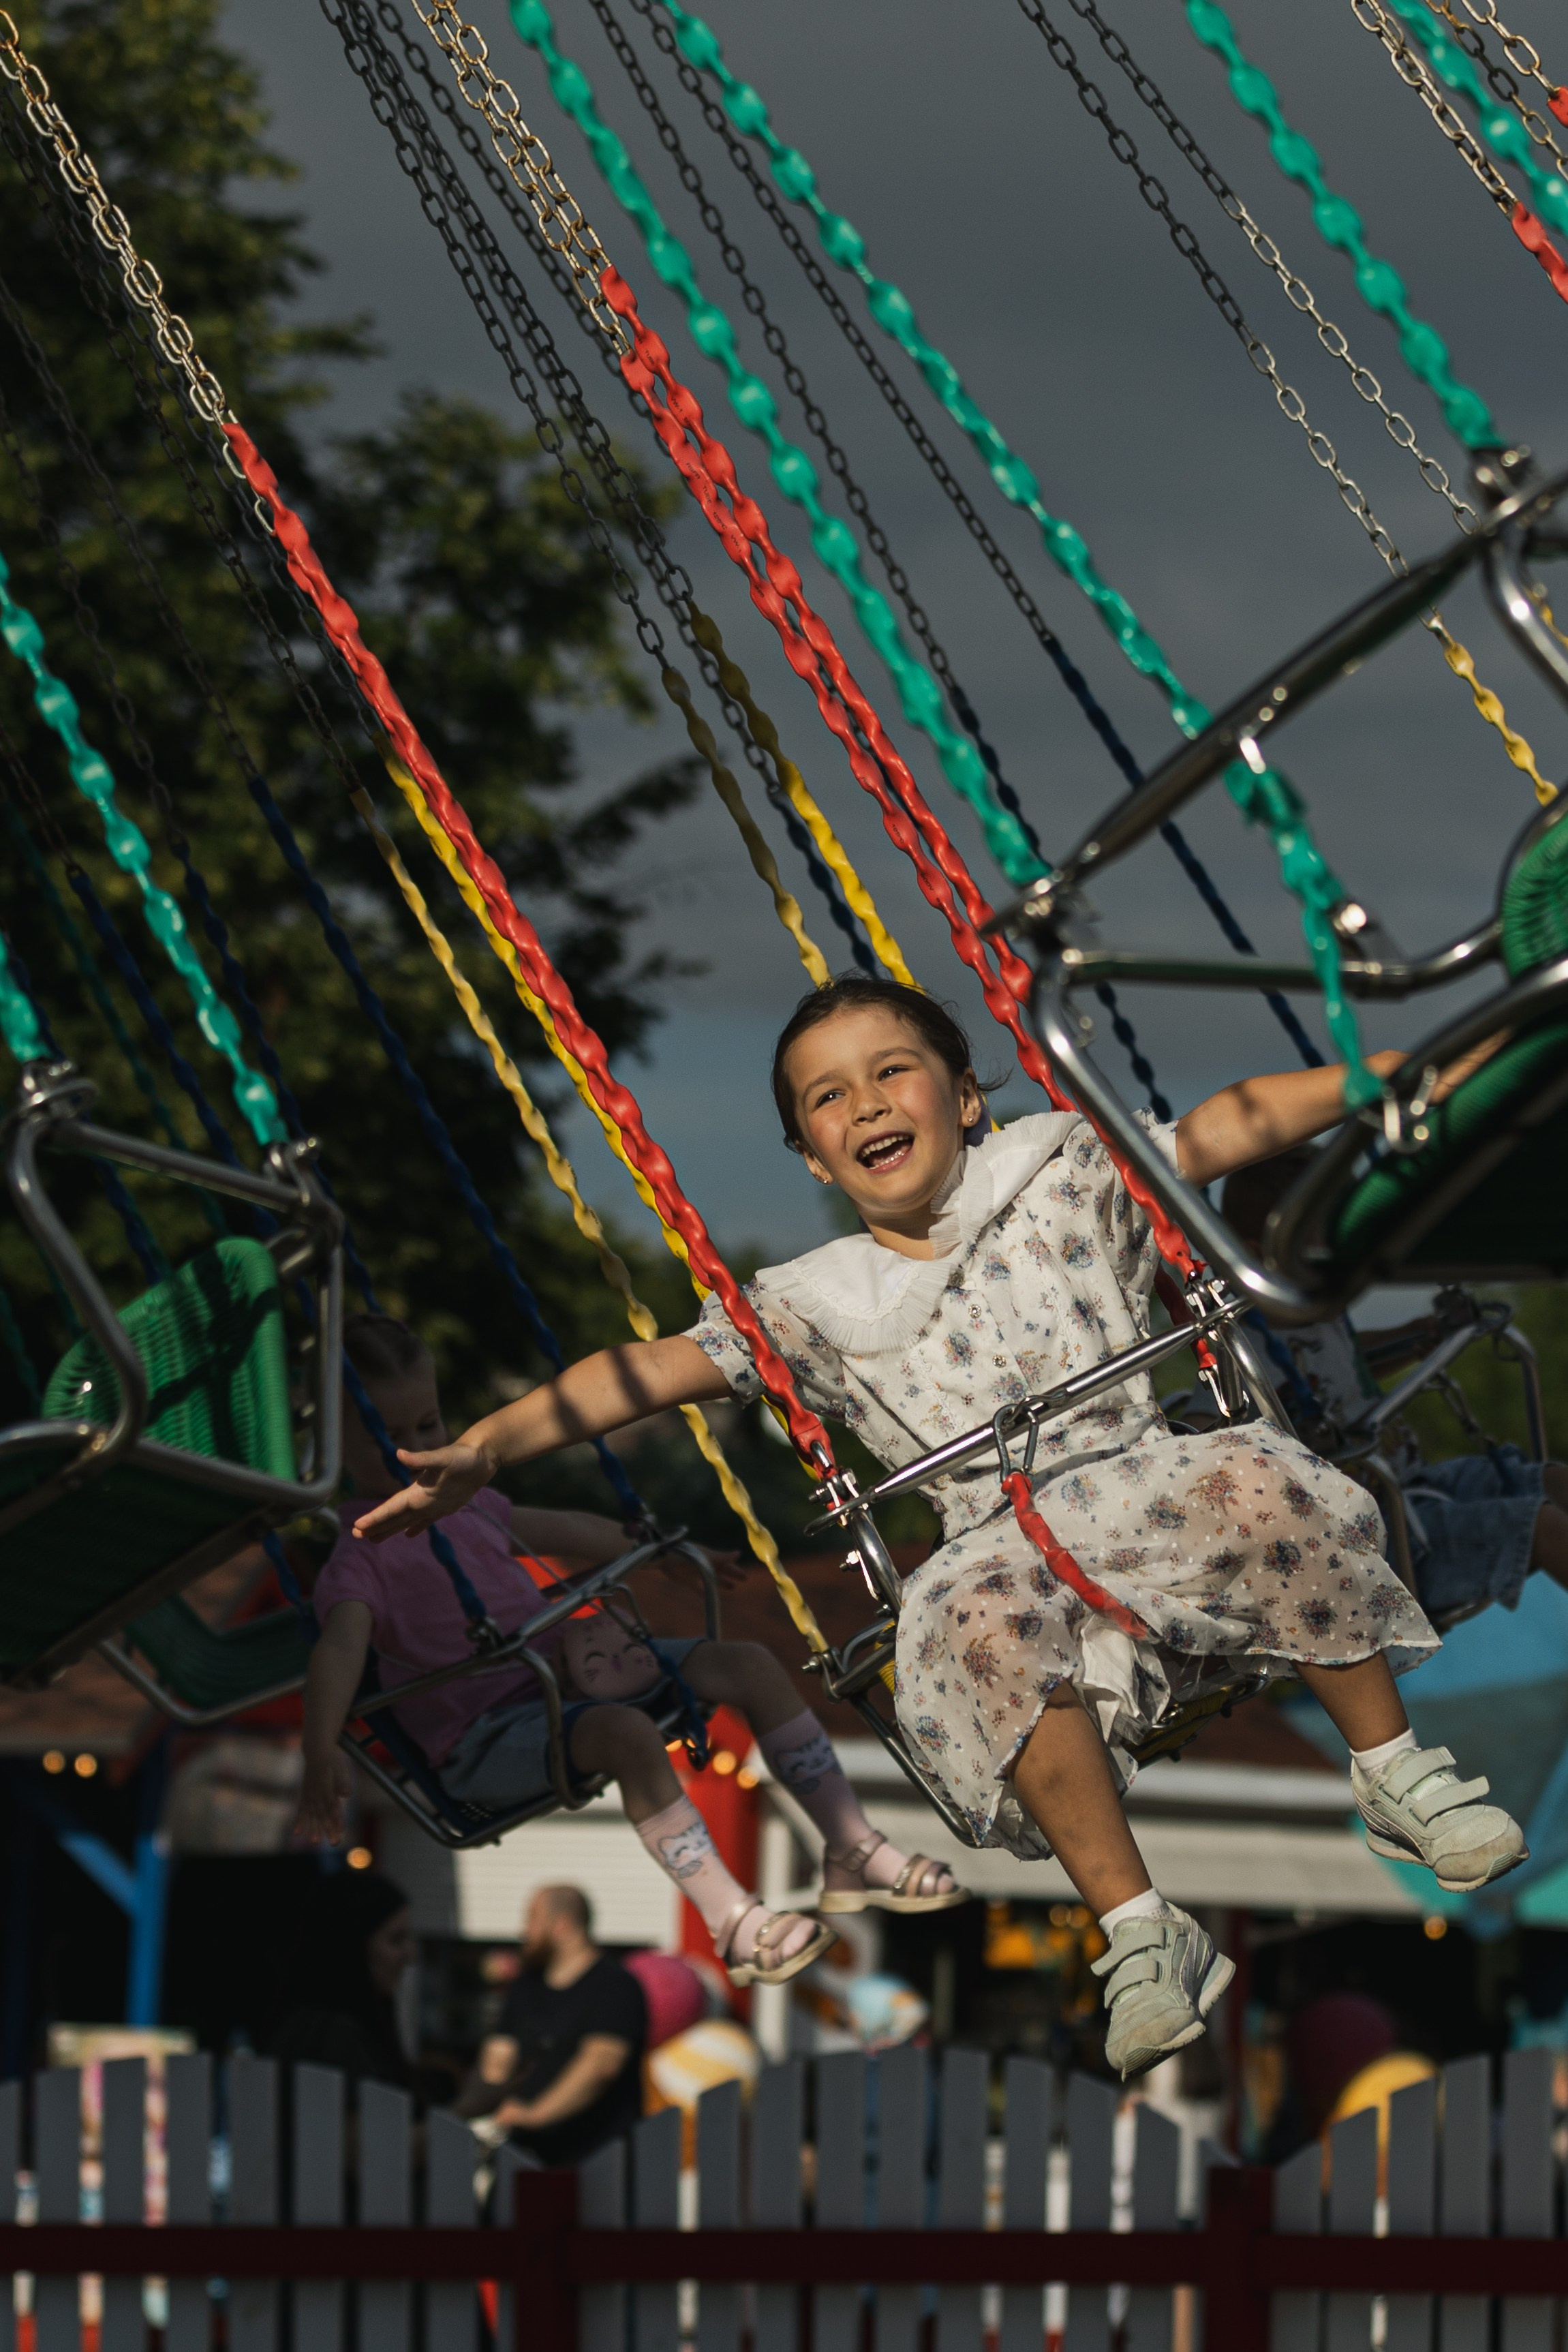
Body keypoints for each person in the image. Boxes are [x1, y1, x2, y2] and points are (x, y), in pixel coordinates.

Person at [346, 976, 1528, 2079]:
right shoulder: (811, 1300)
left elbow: (1232, 1123)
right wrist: (490, 1445)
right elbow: (644, 1370)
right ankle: (1134, 1925)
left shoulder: (1058, 1161)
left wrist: (1388, 1074)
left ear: (964, 1096)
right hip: (996, 1535)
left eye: (891, 1072)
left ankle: (1390, 1767)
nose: (864, 1104)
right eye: (828, 1096)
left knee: (1266, 1489)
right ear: (809, 1151)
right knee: (967, 1629)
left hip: (1144, 1476)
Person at [296, 1312, 963, 1988]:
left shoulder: (471, 1506)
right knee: (626, 1731)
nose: (415, 1451)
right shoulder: (360, 1559)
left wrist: (668, 1553)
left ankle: (850, 1844)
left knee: (751, 1663)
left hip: (568, 1680)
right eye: (389, 1435)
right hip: (485, 1738)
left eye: (428, 1426)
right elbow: (339, 1651)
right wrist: (319, 1748)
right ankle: (732, 1920)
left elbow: (565, 1525)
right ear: (333, 1438)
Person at [1222, 1151, 1568, 1628]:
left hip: (1419, 1485)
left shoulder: (1321, 1317)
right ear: (1259, 1255)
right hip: (1387, 1541)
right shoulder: (1250, 1353)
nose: (1341, 1267)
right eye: (1324, 1253)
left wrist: (1417, 1335)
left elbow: (1348, 1363)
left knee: (1555, 1479)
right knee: (1543, 1524)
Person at [457, 1885, 645, 2166]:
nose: (525, 1932)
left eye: (532, 1919)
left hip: (594, 2161)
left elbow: (601, 2065)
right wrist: (485, 2111)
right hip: (519, 2155)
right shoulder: (526, 1985)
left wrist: (534, 2115)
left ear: (562, 1925)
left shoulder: (615, 1986)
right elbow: (499, 2056)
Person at [267, 1868, 418, 2090]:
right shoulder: (330, 2036)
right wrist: (467, 2105)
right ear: (351, 1948)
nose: (410, 1955)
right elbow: (359, 2124)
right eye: (396, 1940)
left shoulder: (325, 2026)